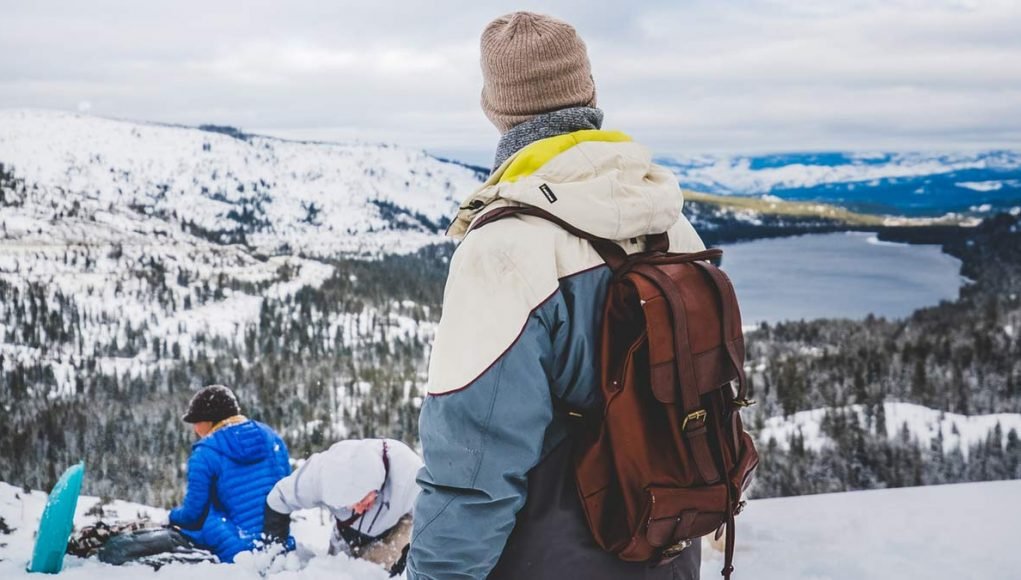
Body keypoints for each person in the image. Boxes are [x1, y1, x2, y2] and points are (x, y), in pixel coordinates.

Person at [406, 11, 706, 580]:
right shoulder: (671, 223)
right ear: (589, 93)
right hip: (667, 542)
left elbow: (472, 466)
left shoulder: (506, 247)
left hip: (552, 556)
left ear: (496, 110)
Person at [167, 384, 292, 563]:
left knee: (206, 515)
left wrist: (170, 516)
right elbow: (286, 491)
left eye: (196, 421)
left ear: (210, 420)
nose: (195, 428)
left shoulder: (205, 453)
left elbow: (192, 516)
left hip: (238, 552)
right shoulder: (272, 438)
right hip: (280, 546)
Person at [263, 438, 422, 575]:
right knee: (336, 572)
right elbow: (279, 498)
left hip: (393, 531)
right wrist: (277, 550)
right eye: (350, 506)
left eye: (363, 501)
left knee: (375, 573)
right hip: (344, 534)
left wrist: (409, 552)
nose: (359, 509)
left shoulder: (408, 471)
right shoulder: (318, 473)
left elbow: (431, 518)